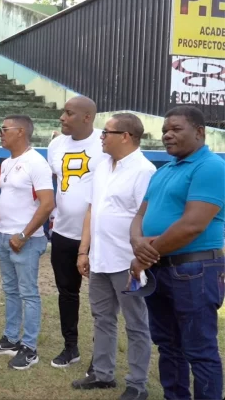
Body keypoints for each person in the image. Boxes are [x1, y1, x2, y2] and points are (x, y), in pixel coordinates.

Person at [129, 106, 225, 400]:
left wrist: (145, 253)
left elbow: (193, 225)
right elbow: (139, 216)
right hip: (159, 269)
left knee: (199, 349)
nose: (167, 135)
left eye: (175, 129)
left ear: (199, 132)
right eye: (164, 131)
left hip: (194, 270)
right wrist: (137, 243)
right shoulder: (164, 170)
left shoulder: (211, 167)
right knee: (168, 345)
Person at [71, 114, 154, 400]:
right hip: (100, 258)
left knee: (136, 323)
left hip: (128, 262)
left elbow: (146, 219)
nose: (101, 137)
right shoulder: (102, 166)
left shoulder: (144, 171)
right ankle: (103, 374)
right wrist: (85, 250)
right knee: (102, 318)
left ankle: (137, 383)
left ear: (126, 136)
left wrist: (140, 261)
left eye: (106, 132)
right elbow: (92, 210)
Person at [0, 115, 54, 370]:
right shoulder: (10, 162)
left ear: (21, 132)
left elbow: (47, 204)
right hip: (4, 235)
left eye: (4, 129)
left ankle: (30, 347)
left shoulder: (36, 163)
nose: (0, 133)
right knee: (10, 291)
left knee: (28, 294)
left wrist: (24, 235)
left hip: (26, 239)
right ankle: (11, 338)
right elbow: (9, 196)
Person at [47, 96, 107, 368]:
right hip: (63, 232)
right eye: (63, 112)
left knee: (100, 298)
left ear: (87, 117)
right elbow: (58, 182)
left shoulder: (104, 144)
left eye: (69, 113)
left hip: (96, 235)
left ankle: (100, 356)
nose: (62, 117)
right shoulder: (56, 144)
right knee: (67, 293)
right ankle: (70, 347)